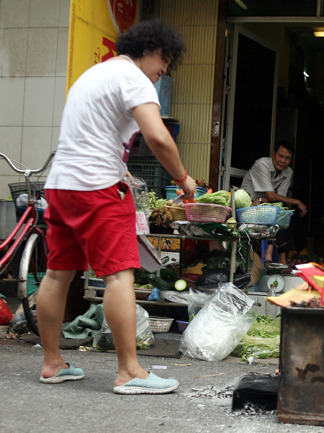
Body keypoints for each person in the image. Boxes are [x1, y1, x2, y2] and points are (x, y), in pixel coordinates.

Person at [36, 19, 196, 395]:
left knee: (58, 273)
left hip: (61, 185)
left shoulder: (93, 75)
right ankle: (130, 371)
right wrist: (185, 180)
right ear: (152, 50)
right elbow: (158, 136)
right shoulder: (133, 77)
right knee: (119, 275)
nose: (164, 72)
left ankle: (52, 362)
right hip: (97, 187)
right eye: (165, 62)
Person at [241, 141, 307, 264]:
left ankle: (270, 251)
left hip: (263, 204)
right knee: (279, 207)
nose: (283, 161)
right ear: (273, 154)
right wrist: (297, 201)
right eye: (280, 156)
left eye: (287, 158)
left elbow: (278, 197)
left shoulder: (288, 172)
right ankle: (280, 256)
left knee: (282, 209)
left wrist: (263, 200)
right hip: (249, 206)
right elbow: (272, 196)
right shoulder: (262, 164)